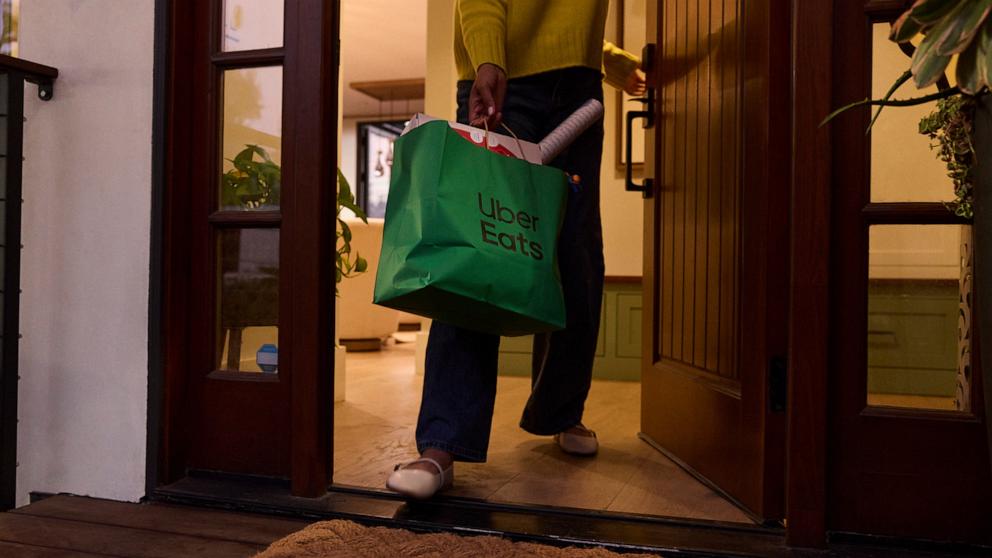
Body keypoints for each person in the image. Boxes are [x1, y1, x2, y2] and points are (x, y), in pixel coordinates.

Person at [387, 0, 646, 500]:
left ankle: (560, 411)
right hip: (504, 77)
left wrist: (612, 62)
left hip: (579, 88)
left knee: (577, 258)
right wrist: (488, 58)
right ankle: (443, 442)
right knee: (478, 247)